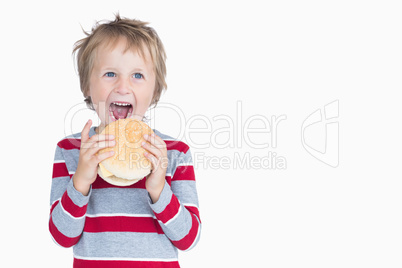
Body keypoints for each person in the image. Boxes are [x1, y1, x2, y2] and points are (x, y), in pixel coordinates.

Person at [49, 14, 201, 267]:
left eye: (138, 75)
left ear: (154, 90)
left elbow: (189, 239)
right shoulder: (70, 150)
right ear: (87, 85)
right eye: (110, 73)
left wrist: (158, 188)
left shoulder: (173, 152)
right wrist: (82, 179)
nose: (123, 86)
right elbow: (62, 237)